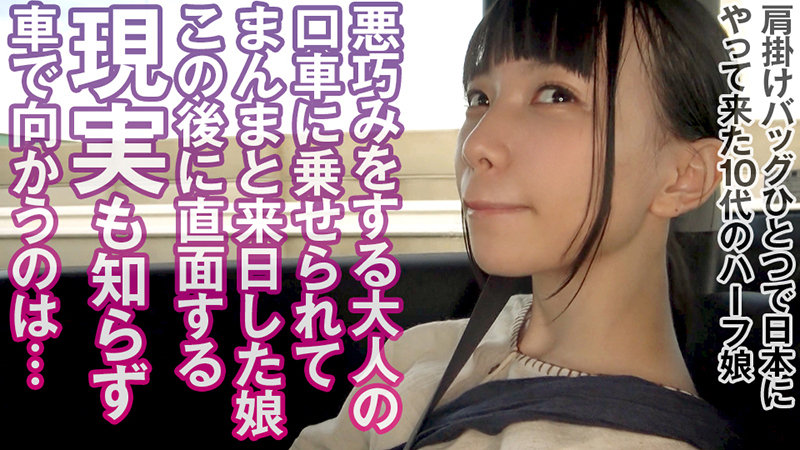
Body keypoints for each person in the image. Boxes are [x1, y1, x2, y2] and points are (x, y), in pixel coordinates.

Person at [292, 0, 740, 448]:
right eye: (479, 99)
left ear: (685, 177)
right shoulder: (425, 350)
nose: (477, 144)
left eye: (557, 95)